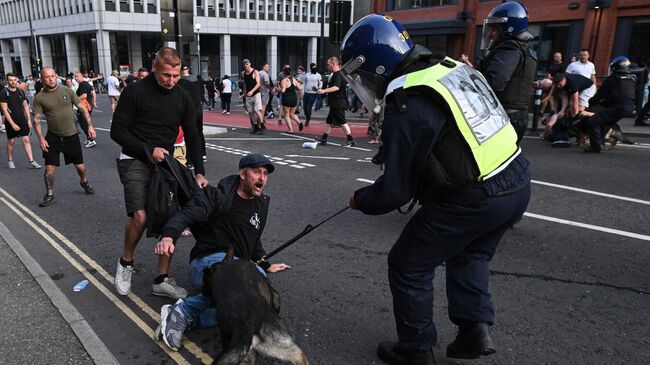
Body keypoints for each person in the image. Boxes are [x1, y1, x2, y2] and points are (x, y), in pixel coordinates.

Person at [341, 14, 531, 365]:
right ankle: (474, 331)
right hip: (517, 180)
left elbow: (395, 192)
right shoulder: (447, 69)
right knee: (470, 253)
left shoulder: (406, 99)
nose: (363, 84)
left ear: (378, 66)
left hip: (474, 195)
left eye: (361, 75)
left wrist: (361, 199)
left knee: (408, 263)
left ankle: (415, 349)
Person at [154, 153, 291, 351]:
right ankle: (184, 310)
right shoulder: (218, 196)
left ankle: (190, 318)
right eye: (256, 172)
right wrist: (168, 236)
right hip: (207, 261)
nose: (262, 178)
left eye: (265, 174)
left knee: (264, 303)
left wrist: (265, 264)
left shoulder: (260, 204)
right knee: (238, 281)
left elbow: (252, 238)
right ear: (242, 174)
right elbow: (186, 213)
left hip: (239, 267)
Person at [110, 47, 209, 300]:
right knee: (140, 217)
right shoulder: (135, 92)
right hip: (133, 158)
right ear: (154, 67)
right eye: (166, 75)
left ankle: (161, 279)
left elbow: (193, 135)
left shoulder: (183, 96)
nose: (171, 81)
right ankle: (126, 263)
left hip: (164, 162)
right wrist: (146, 149)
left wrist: (199, 172)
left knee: (170, 219)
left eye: (176, 75)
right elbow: (117, 132)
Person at [32, 67, 96, 207]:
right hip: (53, 137)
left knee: (80, 167)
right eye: (47, 77)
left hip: (71, 136)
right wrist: (41, 139)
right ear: (42, 79)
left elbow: (83, 109)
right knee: (49, 168)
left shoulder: (67, 91)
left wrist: (90, 126)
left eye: (53, 76)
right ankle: (49, 194)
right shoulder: (39, 98)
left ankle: (83, 180)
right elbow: (36, 120)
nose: (51, 79)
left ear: (56, 76)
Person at [477, 1, 537, 144]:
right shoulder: (524, 50)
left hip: (506, 116)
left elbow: (493, 83)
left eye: (494, 29)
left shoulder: (509, 50)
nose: (490, 34)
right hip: (515, 115)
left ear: (508, 29)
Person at [580, 56, 637, 153]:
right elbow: (618, 94)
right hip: (630, 107)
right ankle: (600, 143)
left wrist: (590, 103)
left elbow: (600, 95)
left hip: (620, 107)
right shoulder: (632, 78)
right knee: (604, 122)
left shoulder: (612, 79)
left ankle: (596, 147)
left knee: (592, 121)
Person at [1, 73, 41, 169]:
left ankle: (31, 161)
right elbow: (4, 110)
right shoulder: (4, 92)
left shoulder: (20, 91)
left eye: (15, 80)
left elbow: (26, 106)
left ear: (17, 80)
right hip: (11, 121)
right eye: (10, 80)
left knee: (26, 139)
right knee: (11, 141)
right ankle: (10, 160)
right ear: (7, 81)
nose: (13, 82)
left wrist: (29, 120)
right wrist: (12, 124)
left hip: (22, 120)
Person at [317, 56, 355, 147]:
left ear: (333, 64)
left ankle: (351, 140)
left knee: (342, 122)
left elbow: (336, 87)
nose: (327, 66)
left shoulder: (338, 74)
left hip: (338, 103)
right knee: (329, 121)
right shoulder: (336, 74)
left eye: (328, 64)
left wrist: (324, 91)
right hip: (335, 103)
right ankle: (324, 138)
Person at [177, 64, 206, 164]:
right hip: (198, 109)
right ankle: (203, 154)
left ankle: (189, 160)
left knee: (188, 135)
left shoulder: (180, 82)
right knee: (199, 133)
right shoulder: (197, 79)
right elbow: (201, 94)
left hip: (189, 111)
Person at [565, 49, 597, 113]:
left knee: (581, 104)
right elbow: (566, 76)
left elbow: (592, 76)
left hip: (586, 88)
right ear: (579, 56)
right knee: (571, 104)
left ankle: (578, 117)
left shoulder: (591, 65)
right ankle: (571, 118)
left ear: (588, 56)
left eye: (585, 55)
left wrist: (595, 87)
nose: (583, 57)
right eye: (581, 55)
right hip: (574, 87)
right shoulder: (572, 65)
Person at [241, 59, 265, 134]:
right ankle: (255, 126)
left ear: (250, 64)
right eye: (244, 64)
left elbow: (258, 84)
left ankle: (261, 125)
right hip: (248, 95)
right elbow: (244, 84)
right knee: (250, 112)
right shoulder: (243, 73)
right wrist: (244, 94)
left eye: (247, 64)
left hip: (256, 93)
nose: (245, 66)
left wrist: (252, 91)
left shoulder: (255, 72)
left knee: (257, 110)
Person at [74, 72, 97, 148]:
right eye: (75, 77)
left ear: (81, 77)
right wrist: (93, 102)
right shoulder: (87, 84)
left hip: (84, 107)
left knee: (83, 123)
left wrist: (74, 100)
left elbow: (84, 95)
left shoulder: (83, 84)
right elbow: (93, 93)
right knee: (86, 122)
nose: (75, 78)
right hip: (88, 106)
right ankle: (89, 138)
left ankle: (91, 140)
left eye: (77, 76)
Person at [280, 66, 304, 133]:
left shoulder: (284, 80)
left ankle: (290, 130)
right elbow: (299, 88)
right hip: (294, 98)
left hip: (287, 98)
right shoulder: (294, 79)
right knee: (292, 114)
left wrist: (278, 89)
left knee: (286, 115)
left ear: (284, 73)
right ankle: (299, 122)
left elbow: (283, 91)